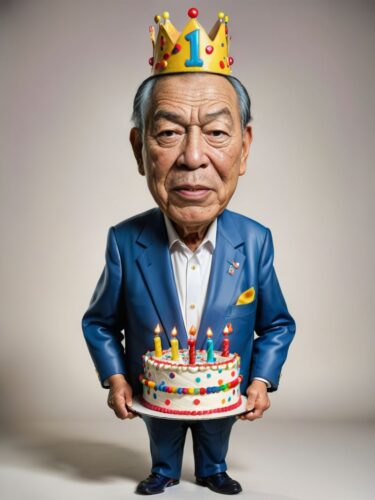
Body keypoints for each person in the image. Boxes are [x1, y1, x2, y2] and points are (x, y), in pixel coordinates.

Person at [82, 9, 295, 496]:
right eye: (169, 132)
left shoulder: (256, 241)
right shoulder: (124, 241)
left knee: (215, 435)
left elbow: (278, 323)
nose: (193, 157)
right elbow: (98, 322)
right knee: (163, 434)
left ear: (244, 148)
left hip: (224, 397)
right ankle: (162, 469)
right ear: (140, 149)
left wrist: (261, 381)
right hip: (156, 395)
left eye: (217, 133)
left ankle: (213, 468)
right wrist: (115, 378)